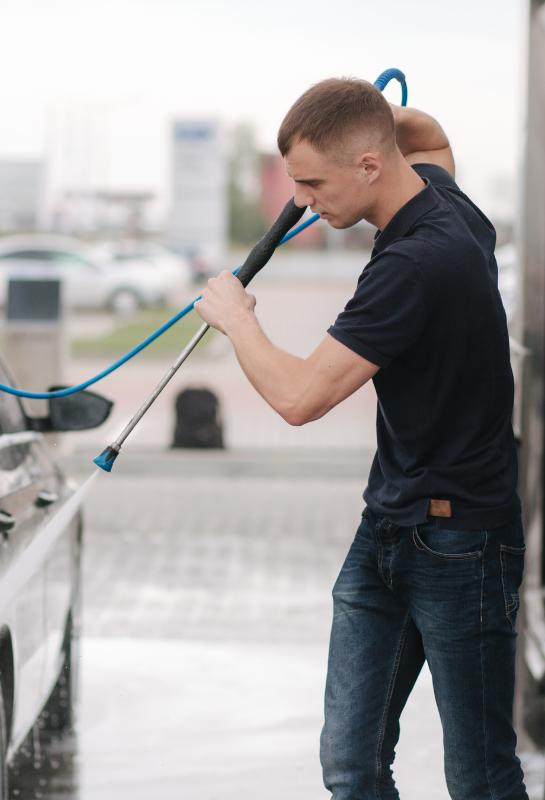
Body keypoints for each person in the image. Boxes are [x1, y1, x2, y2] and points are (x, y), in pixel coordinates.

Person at [193, 77, 527, 800]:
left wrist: (237, 317)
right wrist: (365, 117)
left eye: (312, 183)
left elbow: (299, 398)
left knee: (481, 779)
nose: (302, 203)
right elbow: (430, 134)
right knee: (350, 767)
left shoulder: (418, 263)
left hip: (462, 545)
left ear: (371, 165)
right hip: (387, 528)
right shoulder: (443, 197)